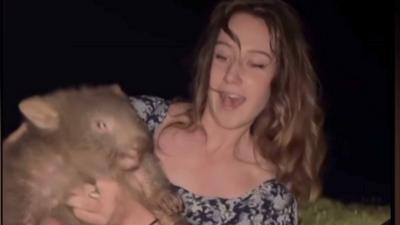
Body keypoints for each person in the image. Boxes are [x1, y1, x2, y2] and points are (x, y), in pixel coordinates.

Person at [35, 0, 326, 224]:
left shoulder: (269, 204)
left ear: (279, 83)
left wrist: (129, 215)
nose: (232, 75)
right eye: (223, 55)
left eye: (256, 64)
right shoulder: (141, 118)